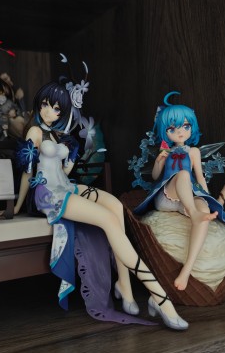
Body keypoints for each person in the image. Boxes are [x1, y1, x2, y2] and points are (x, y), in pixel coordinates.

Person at [12, 80, 188, 331]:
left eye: (57, 109)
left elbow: (64, 172)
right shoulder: (35, 132)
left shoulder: (59, 135)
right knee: (107, 219)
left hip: (66, 186)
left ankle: (125, 287)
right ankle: (161, 298)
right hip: (48, 193)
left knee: (115, 205)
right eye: (46, 105)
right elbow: (27, 173)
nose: (49, 111)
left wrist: (70, 156)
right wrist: (17, 207)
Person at [134, 91, 225, 291]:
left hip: (186, 199)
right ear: (165, 132)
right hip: (166, 198)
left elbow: (200, 178)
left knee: (203, 207)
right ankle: (194, 212)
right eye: (173, 129)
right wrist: (159, 160)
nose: (180, 132)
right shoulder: (166, 151)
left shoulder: (193, 152)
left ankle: (186, 270)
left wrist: (209, 200)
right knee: (182, 175)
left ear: (192, 128)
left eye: (186, 127)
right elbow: (155, 177)